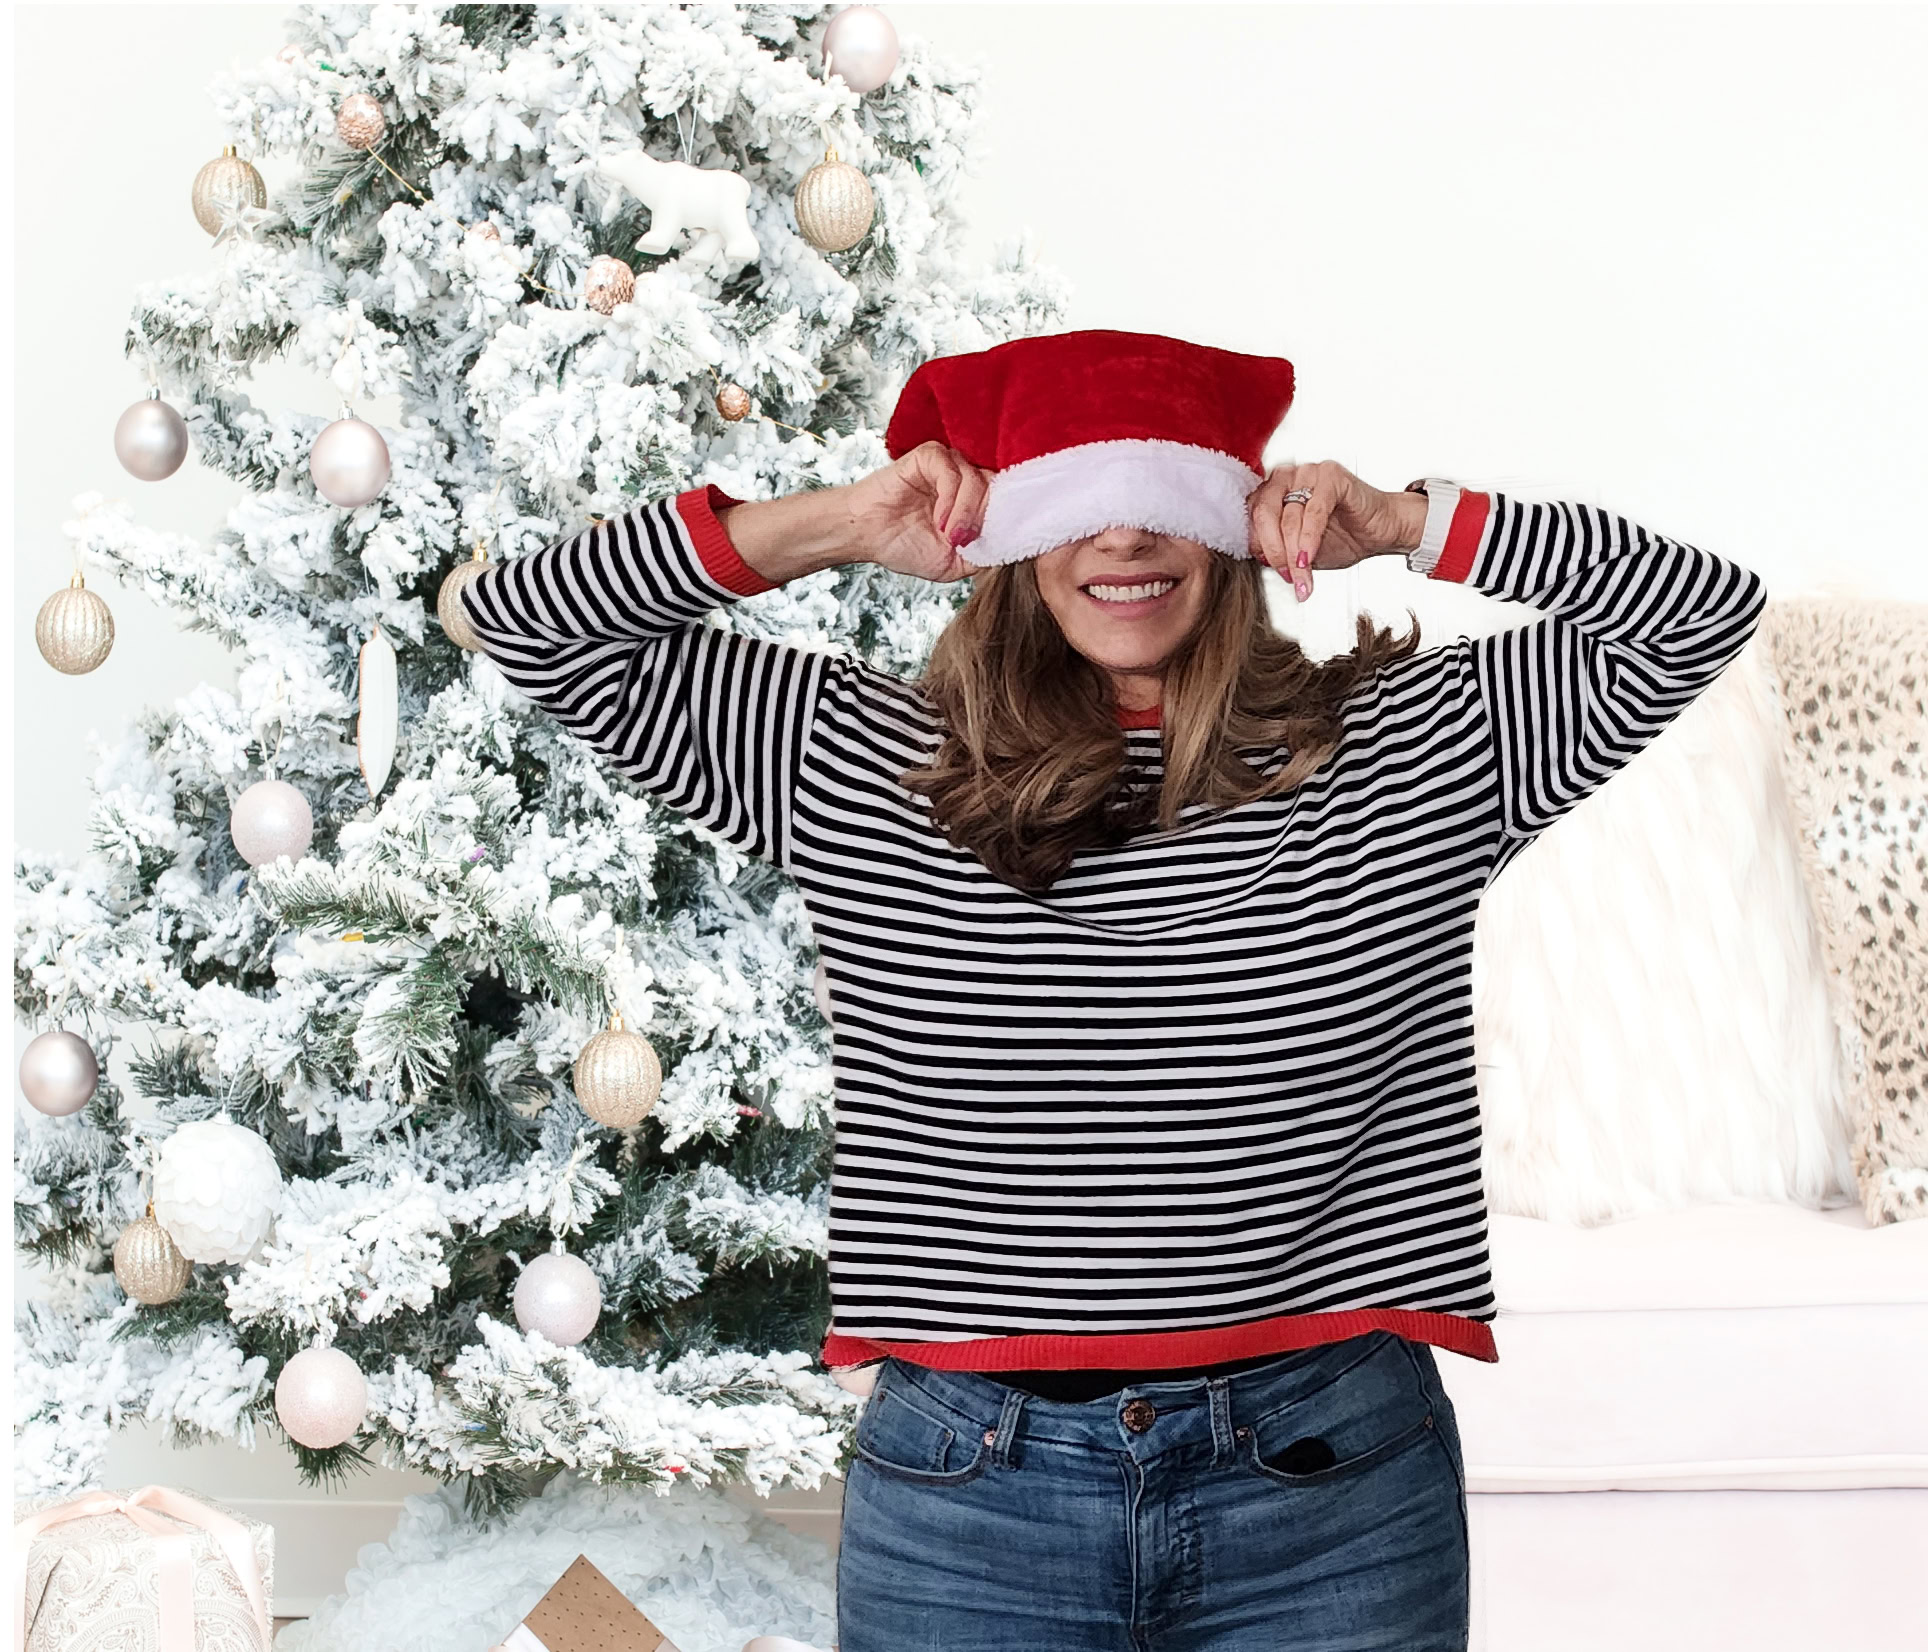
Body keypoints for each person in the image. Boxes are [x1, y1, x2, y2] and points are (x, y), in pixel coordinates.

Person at [459, 328, 1767, 1651]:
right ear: (1020, 540)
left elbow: (1700, 610)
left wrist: (1405, 521)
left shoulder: (1411, 750)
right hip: (971, 1498)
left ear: (1233, 527)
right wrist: (838, 524)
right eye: (1081, 504)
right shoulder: (858, 760)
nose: (1124, 544)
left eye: (1167, 503)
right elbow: (525, 620)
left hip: (1329, 1488)